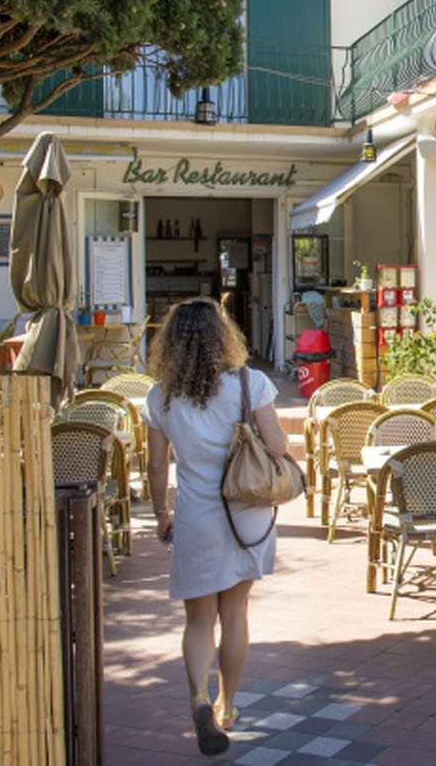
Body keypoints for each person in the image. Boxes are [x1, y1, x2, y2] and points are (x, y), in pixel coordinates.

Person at [144, 298, 288, 757]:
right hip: (247, 511)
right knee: (236, 614)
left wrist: (161, 514)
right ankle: (228, 706)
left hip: (196, 516)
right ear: (223, 337)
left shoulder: (159, 395)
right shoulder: (252, 383)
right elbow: (278, 446)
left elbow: (154, 466)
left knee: (198, 619)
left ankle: (198, 698)